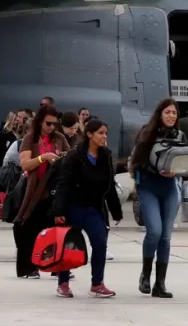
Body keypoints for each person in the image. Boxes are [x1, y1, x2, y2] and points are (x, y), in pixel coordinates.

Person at [51, 119, 122, 298]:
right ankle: (63, 283)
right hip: (73, 207)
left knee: (100, 243)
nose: (104, 137)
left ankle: (97, 284)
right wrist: (59, 210)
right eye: (100, 133)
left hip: (94, 208)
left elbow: (109, 185)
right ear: (89, 134)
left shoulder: (105, 156)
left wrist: (116, 210)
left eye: (105, 133)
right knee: (69, 245)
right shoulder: (74, 156)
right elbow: (64, 184)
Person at [129, 97, 183, 298]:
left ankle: (160, 283)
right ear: (160, 114)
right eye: (167, 112)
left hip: (169, 188)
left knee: (166, 237)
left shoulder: (180, 135)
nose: (171, 116)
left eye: (174, 113)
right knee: (154, 232)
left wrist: (177, 171)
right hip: (149, 187)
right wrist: (155, 170)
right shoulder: (147, 133)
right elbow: (135, 162)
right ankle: (145, 274)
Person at [13, 105, 69, 279]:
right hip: (36, 190)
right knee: (30, 229)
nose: (51, 127)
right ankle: (27, 268)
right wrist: (42, 158)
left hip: (55, 190)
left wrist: (62, 157)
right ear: (40, 122)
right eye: (48, 123)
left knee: (57, 229)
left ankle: (57, 266)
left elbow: (70, 157)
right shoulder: (30, 138)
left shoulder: (59, 138)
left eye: (54, 123)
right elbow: (25, 164)